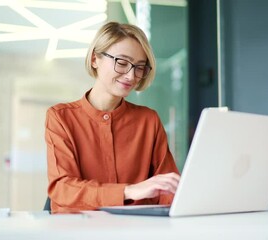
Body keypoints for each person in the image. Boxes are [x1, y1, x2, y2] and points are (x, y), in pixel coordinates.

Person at [45, 22, 180, 213]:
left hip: (135, 230)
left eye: (139, 67)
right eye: (122, 63)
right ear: (95, 59)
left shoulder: (148, 121)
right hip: (78, 230)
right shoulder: (61, 118)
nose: (131, 75)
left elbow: (169, 188)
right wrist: (128, 191)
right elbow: (63, 188)